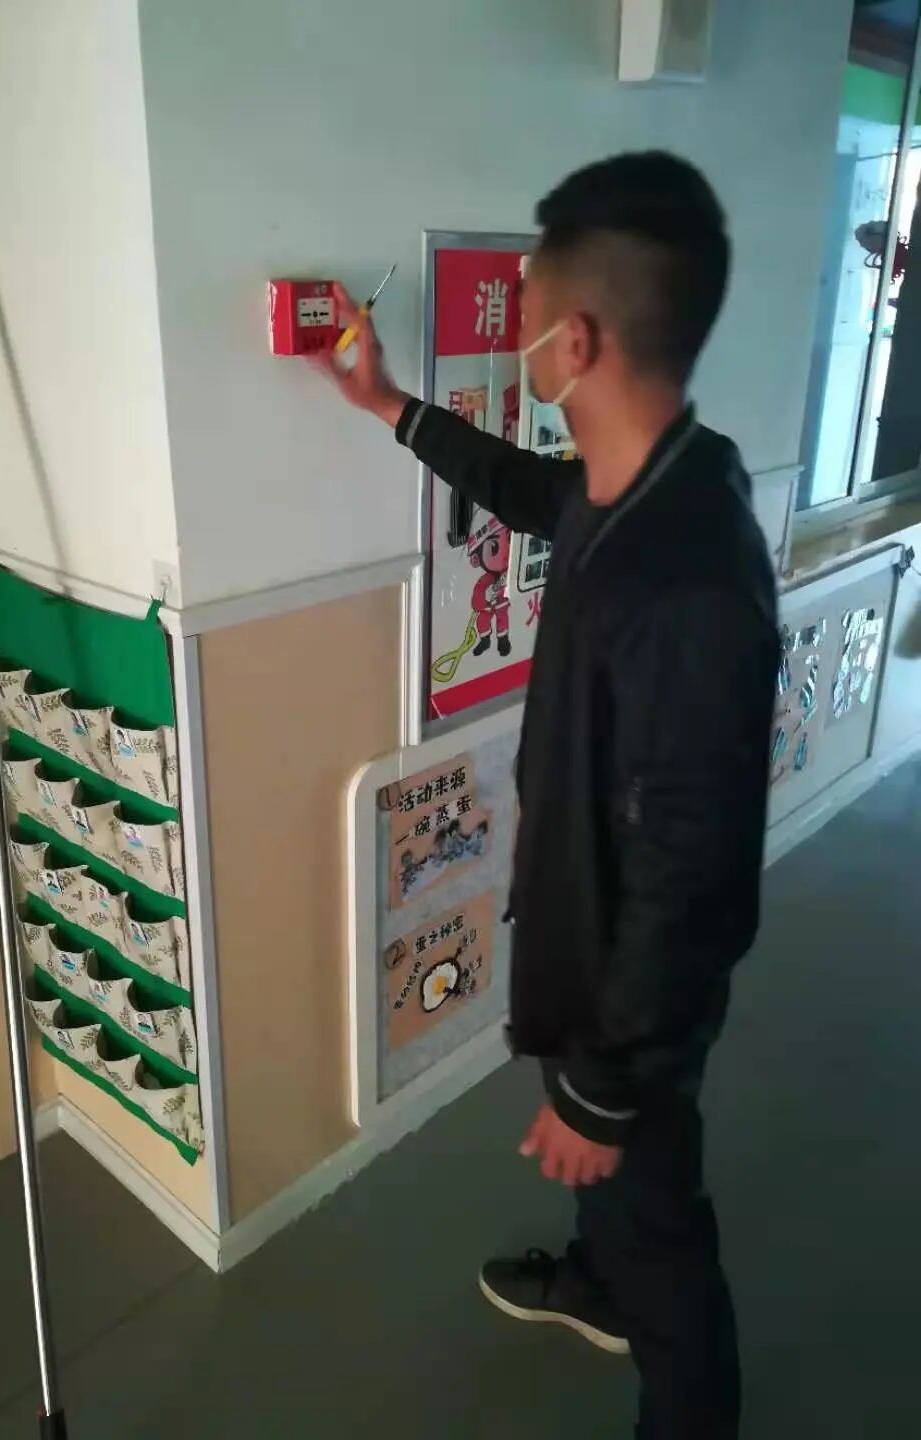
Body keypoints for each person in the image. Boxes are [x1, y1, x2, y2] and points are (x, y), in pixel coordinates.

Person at [319, 151, 780, 1440]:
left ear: (574, 343)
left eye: (525, 311)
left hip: (638, 992)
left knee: (661, 1229)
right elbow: (527, 491)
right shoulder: (648, 477)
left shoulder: (690, 584)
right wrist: (387, 404)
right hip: (587, 938)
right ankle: (596, 1278)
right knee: (621, 1204)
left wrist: (604, 1090)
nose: (514, 332)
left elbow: (693, 881)